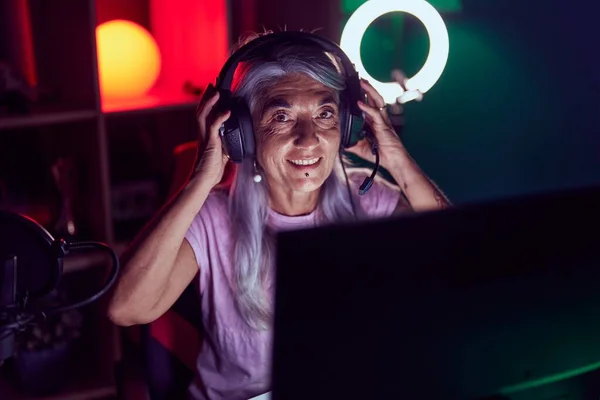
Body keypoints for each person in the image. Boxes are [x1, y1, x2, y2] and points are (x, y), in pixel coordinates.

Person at [107, 31, 451, 400]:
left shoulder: (368, 202)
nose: (308, 139)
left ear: (346, 126)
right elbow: (127, 309)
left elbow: (455, 256)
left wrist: (393, 155)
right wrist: (201, 179)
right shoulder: (213, 218)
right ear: (243, 133)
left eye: (325, 114)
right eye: (282, 117)